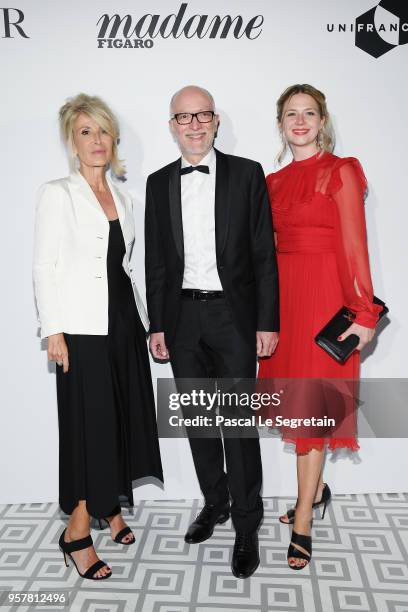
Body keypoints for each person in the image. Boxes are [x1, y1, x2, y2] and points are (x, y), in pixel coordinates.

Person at [144, 85, 279, 579]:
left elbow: (265, 254)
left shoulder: (247, 174)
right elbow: (156, 263)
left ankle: (247, 523)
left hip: (235, 319)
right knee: (201, 423)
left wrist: (268, 321)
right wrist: (156, 324)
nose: (194, 124)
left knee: (239, 427)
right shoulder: (157, 184)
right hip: (181, 321)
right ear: (172, 125)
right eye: (184, 117)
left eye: (203, 115)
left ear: (216, 120)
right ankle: (216, 503)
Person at [33, 93, 163, 580]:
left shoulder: (127, 197)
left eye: (103, 131)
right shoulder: (57, 193)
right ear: (72, 140)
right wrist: (53, 331)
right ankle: (77, 531)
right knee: (90, 427)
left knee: (123, 416)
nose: (96, 140)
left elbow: (131, 269)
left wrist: (151, 325)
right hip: (82, 329)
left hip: (124, 323)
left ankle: (111, 507)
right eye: (86, 132)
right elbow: (43, 266)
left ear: (114, 139)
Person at [258, 84, 382, 570]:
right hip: (285, 305)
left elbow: (355, 245)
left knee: (312, 415)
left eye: (309, 113)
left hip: (328, 303)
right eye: (292, 114)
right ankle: (317, 488)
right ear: (281, 122)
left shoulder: (341, 171)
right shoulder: (272, 181)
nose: (301, 121)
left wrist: (365, 312)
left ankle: (304, 517)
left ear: (323, 120)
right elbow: (265, 254)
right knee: (295, 403)